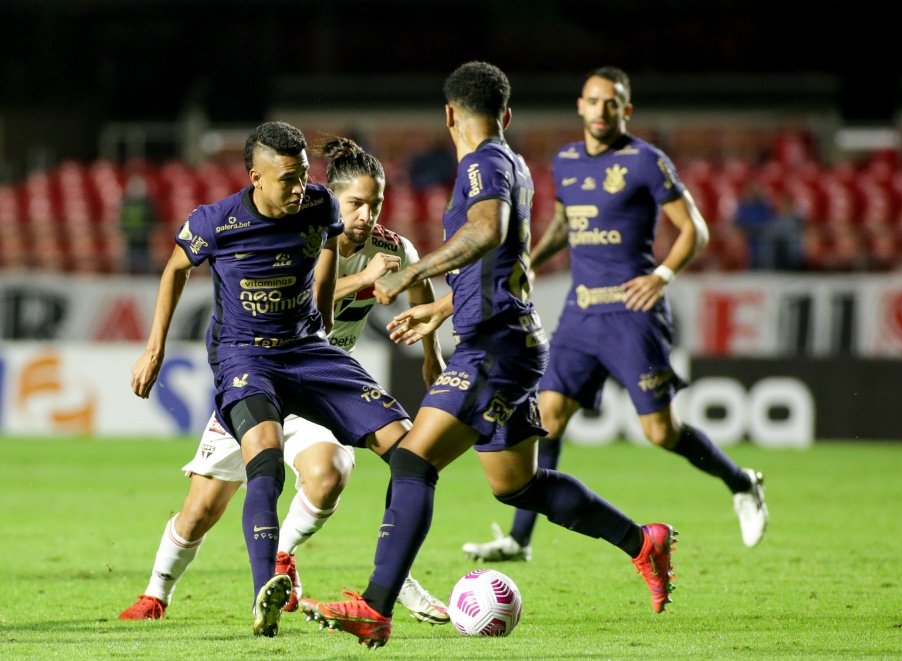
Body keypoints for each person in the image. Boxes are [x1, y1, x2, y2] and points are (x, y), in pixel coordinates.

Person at [300, 61, 677, 650]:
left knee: (412, 461)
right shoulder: (514, 165)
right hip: (506, 335)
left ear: (449, 115)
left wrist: (414, 274)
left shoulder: (484, 165)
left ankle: (374, 607)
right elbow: (506, 268)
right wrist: (443, 308)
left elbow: (488, 232)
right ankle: (643, 541)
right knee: (517, 487)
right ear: (505, 114)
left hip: (494, 346)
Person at [119, 137, 449, 626]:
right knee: (203, 508)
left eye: (375, 204)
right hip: (249, 366)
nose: (365, 214)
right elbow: (175, 268)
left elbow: (366, 287)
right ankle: (156, 592)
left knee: (369, 464)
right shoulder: (218, 221)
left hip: (311, 362)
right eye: (357, 203)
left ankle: (375, 584)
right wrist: (154, 349)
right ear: (256, 178)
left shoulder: (352, 225)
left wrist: (430, 354)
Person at [461, 66, 768, 567]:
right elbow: (565, 221)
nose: (602, 110)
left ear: (626, 109)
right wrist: (531, 263)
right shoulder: (565, 162)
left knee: (660, 433)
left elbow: (694, 229)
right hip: (582, 313)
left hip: (632, 313)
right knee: (548, 419)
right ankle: (519, 540)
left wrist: (663, 275)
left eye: (613, 102)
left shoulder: (646, 161)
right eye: (594, 101)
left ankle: (741, 482)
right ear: (580, 106)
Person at [119, 172, 158, 274]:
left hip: (144, 242)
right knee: (130, 264)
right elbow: (122, 221)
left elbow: (152, 220)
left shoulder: (147, 204)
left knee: (144, 265)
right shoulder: (126, 204)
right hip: (130, 241)